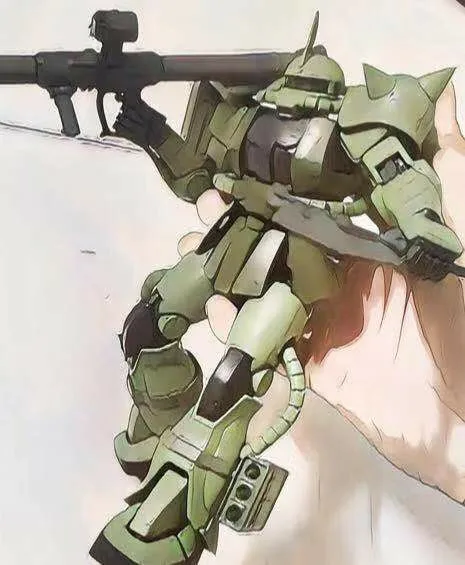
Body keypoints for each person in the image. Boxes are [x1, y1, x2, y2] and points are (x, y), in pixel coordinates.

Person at [89, 13, 464, 565]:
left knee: (232, 377)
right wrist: (155, 134)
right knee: (146, 325)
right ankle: (156, 435)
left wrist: (425, 230)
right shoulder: (252, 114)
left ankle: (170, 528)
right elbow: (202, 181)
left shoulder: (358, 124)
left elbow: (403, 179)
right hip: (233, 237)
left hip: (297, 267)